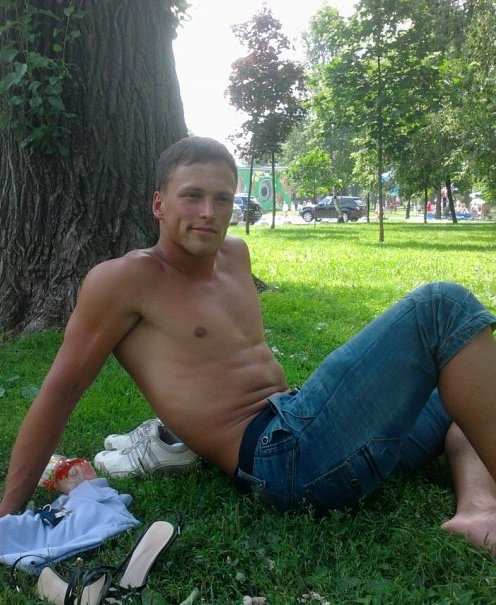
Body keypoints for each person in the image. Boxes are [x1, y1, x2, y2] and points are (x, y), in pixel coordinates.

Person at [2, 137, 496, 554]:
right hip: (281, 459)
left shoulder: (235, 254)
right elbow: (60, 392)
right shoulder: (126, 280)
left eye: (222, 199)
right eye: (192, 196)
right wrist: (7, 513)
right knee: (442, 307)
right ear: (159, 205)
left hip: (312, 430)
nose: (208, 212)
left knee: (465, 375)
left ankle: (478, 508)